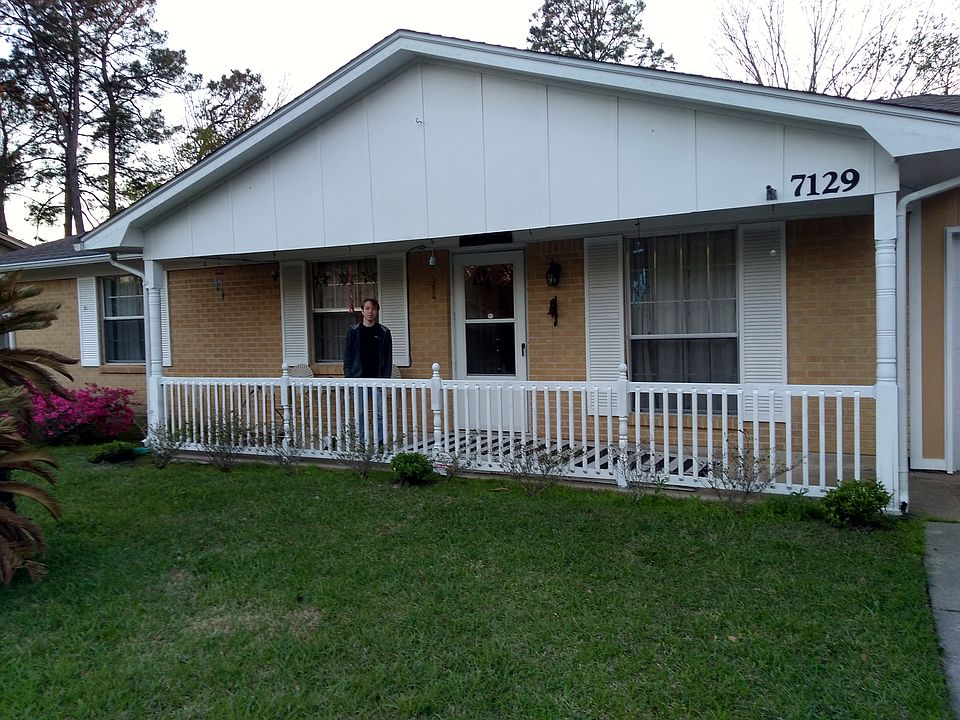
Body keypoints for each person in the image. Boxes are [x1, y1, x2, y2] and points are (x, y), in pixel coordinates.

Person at [343, 297, 393, 444]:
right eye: (367, 308)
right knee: (360, 413)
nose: (370, 311)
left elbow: (388, 359)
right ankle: (362, 443)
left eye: (373, 309)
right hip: (358, 380)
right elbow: (348, 357)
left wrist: (385, 380)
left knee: (380, 414)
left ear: (377, 312)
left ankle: (380, 442)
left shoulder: (384, 332)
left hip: (378, 380)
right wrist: (349, 378)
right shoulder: (353, 332)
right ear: (362, 310)